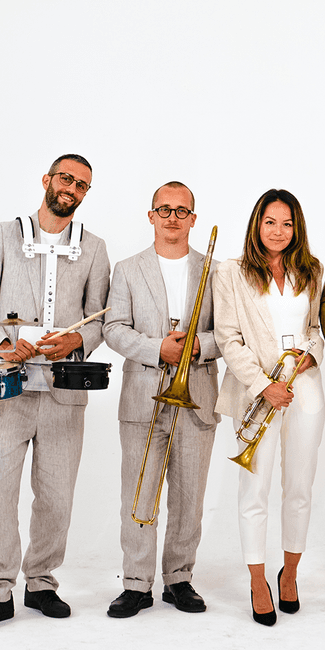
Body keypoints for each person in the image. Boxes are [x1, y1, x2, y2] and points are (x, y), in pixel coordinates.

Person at [0, 154, 110, 631]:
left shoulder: (93, 247)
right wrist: (4, 345)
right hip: (10, 389)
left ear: (85, 193)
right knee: (0, 492)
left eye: (81, 184)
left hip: (65, 393)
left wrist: (78, 339)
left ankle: (41, 582)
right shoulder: (4, 235)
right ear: (47, 180)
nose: (71, 187)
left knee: (56, 495)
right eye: (65, 178)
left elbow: (102, 317)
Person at [102, 181, 220, 618]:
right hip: (143, 396)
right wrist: (159, 349)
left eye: (182, 210)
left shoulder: (215, 270)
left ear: (194, 218)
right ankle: (136, 583)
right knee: (140, 493)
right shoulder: (128, 269)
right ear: (150, 216)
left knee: (189, 496)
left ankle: (179, 579)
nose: (173, 217)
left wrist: (196, 347)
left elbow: (228, 333)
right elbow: (114, 329)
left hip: (199, 393)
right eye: (164, 209)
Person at [213, 189, 325, 626]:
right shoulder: (232, 272)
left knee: (299, 487)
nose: (278, 232)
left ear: (296, 228)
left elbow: (316, 328)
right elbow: (228, 338)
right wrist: (264, 385)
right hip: (256, 391)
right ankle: (258, 579)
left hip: (306, 389)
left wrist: (310, 355)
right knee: (254, 490)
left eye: (286, 223)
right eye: (270, 222)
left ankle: (291, 572)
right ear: (256, 225)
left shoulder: (311, 270)